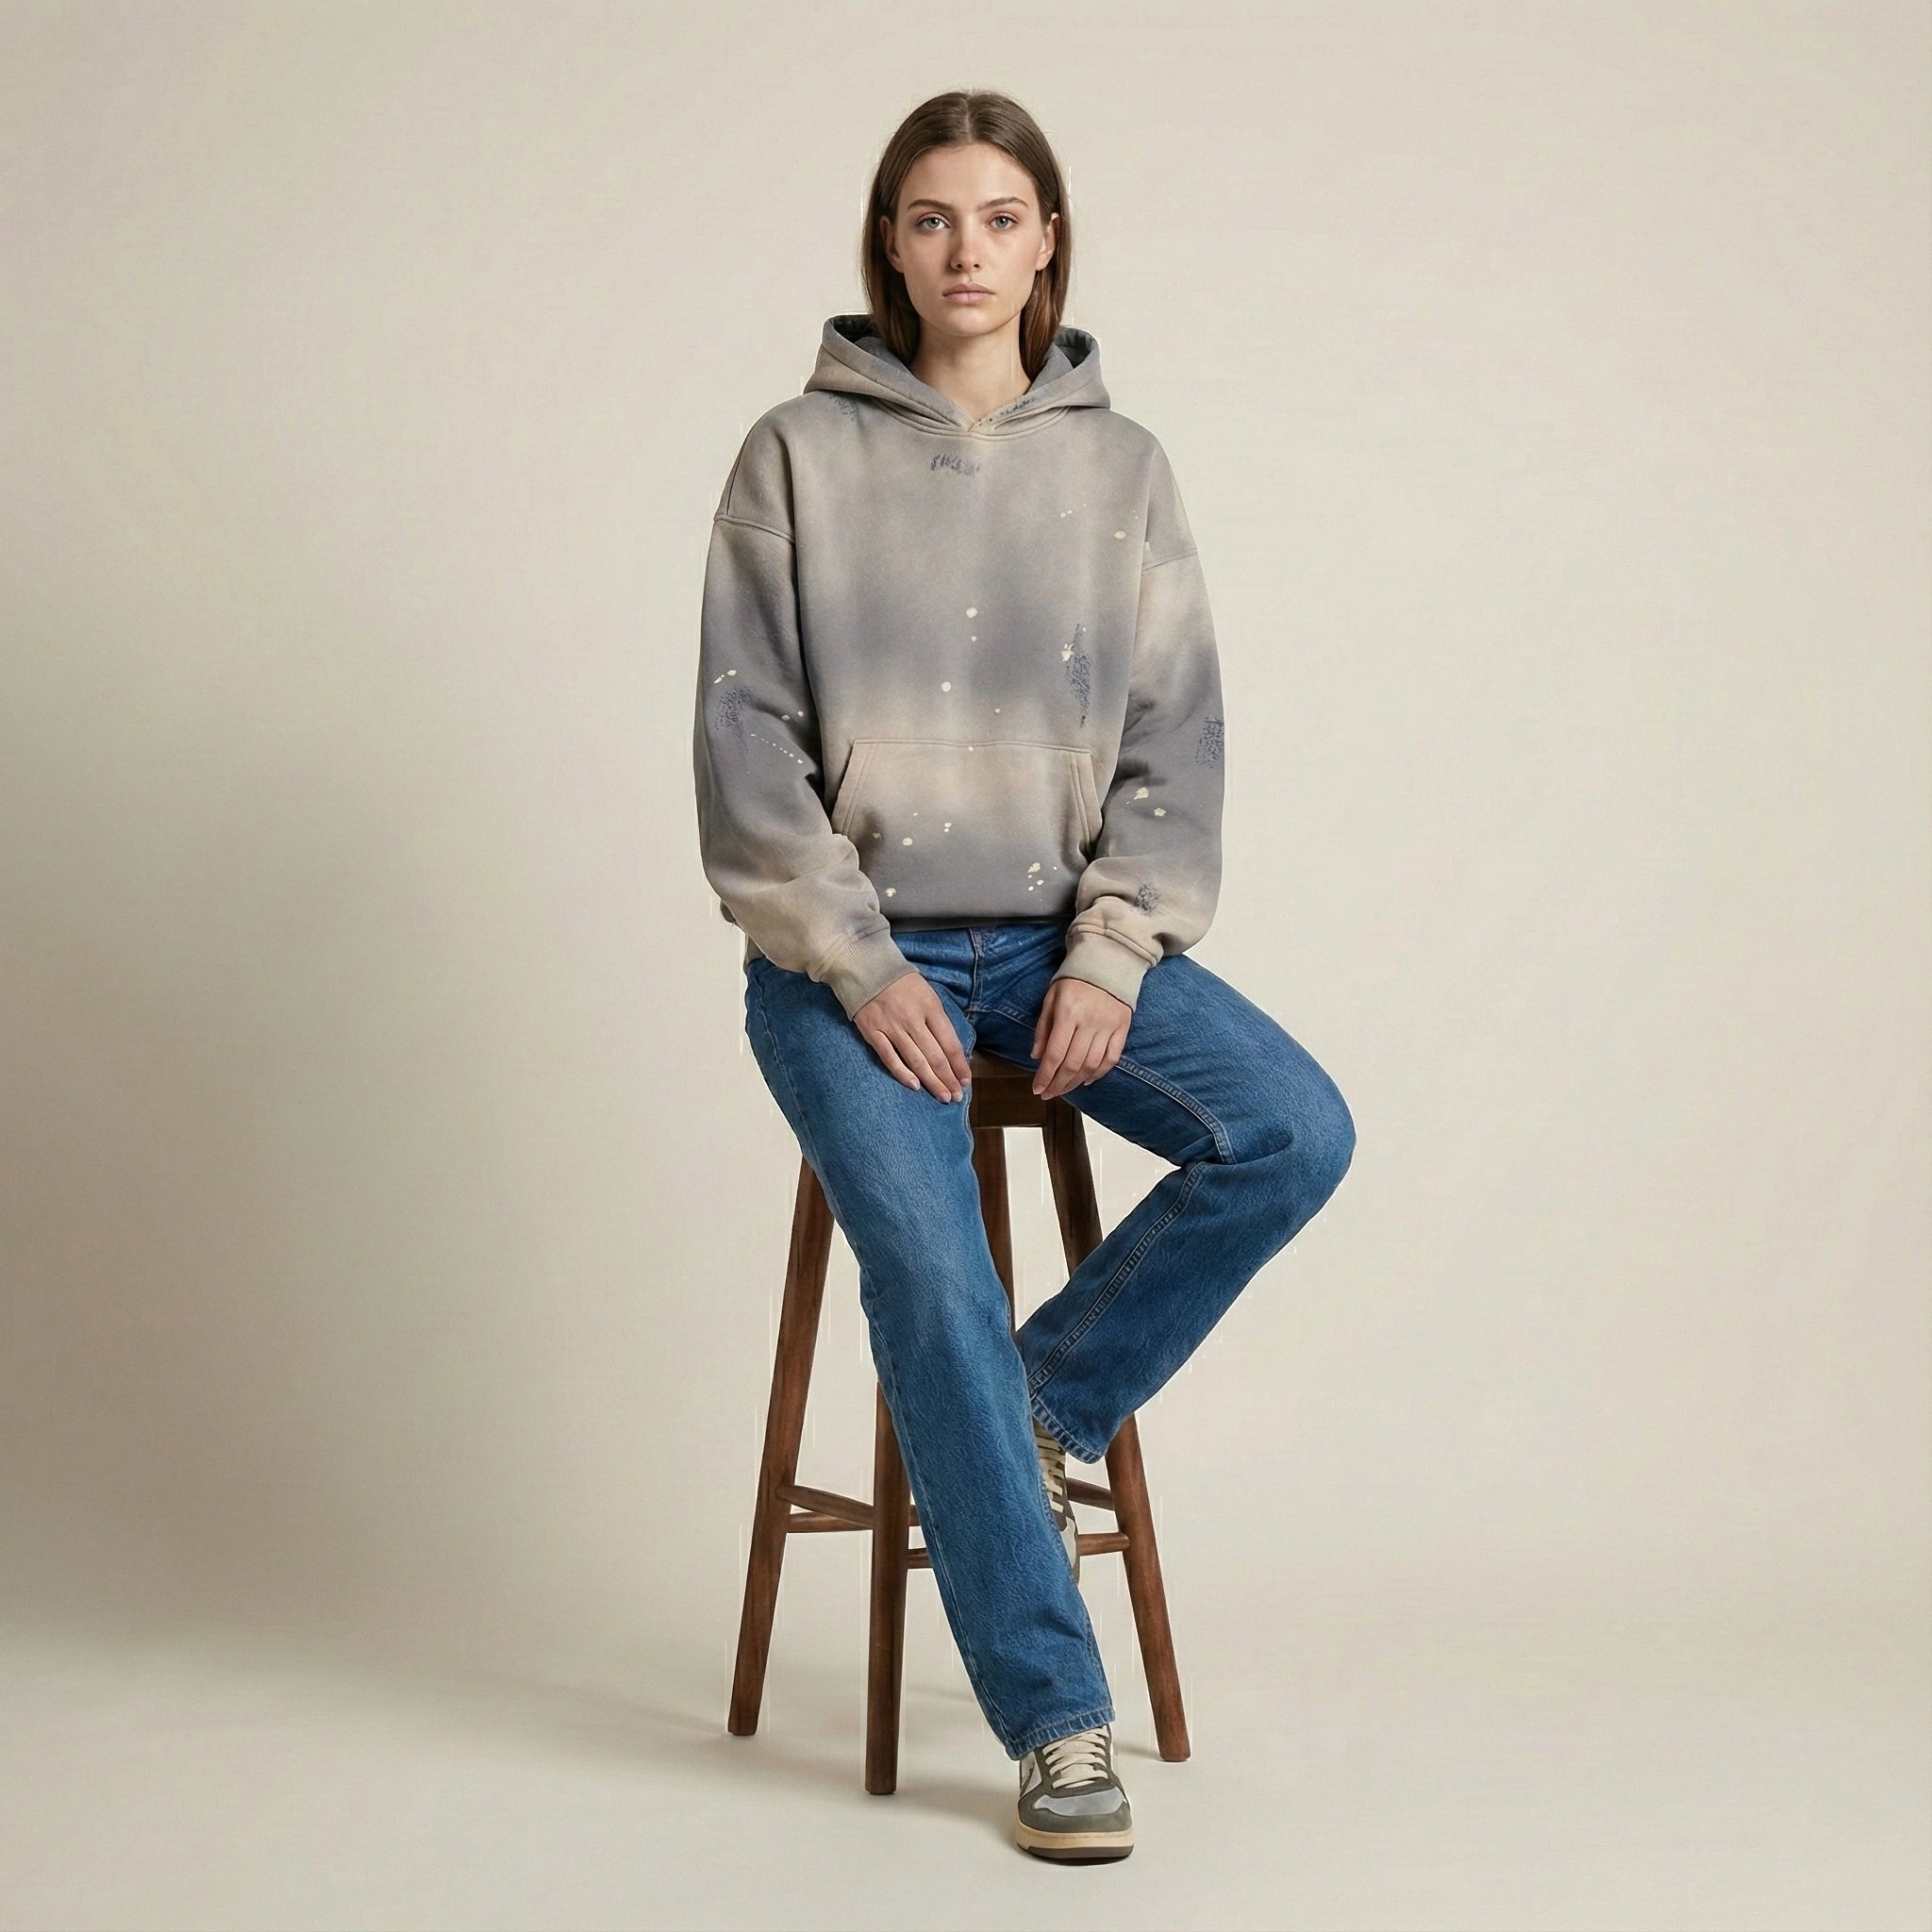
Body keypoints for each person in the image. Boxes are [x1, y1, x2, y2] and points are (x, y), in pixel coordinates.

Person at [692, 88, 1356, 1863]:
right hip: (850, 962)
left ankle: (1032, 1403)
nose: (966, 249)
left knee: (1292, 1131)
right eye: (931, 218)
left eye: (998, 217)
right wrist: (854, 962)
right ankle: (1059, 1723)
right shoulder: (791, 456)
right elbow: (746, 754)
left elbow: (1174, 741)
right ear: (890, 244)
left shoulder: (1122, 470)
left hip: (1062, 940)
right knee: (930, 1274)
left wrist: (1116, 950)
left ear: (1047, 238)